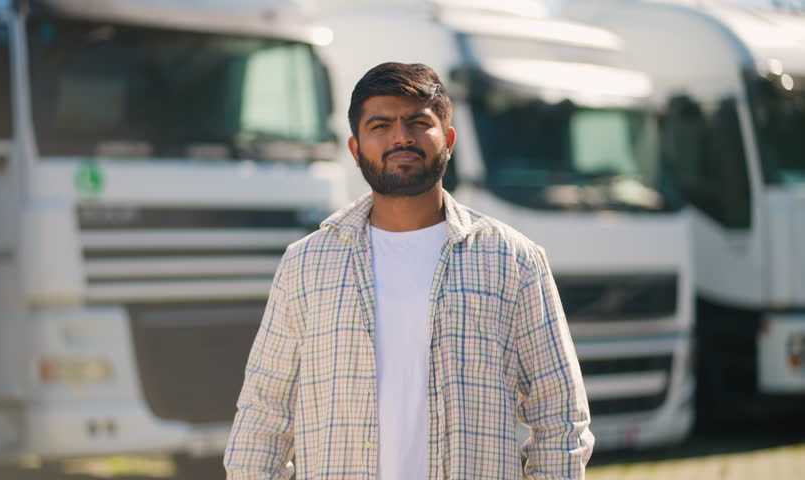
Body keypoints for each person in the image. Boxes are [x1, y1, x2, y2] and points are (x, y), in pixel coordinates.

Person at [224, 62, 594, 480]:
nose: (401, 136)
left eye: (418, 123)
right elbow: (263, 414)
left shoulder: (512, 260)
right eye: (380, 125)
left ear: (448, 141)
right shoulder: (306, 264)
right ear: (355, 149)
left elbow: (560, 414)